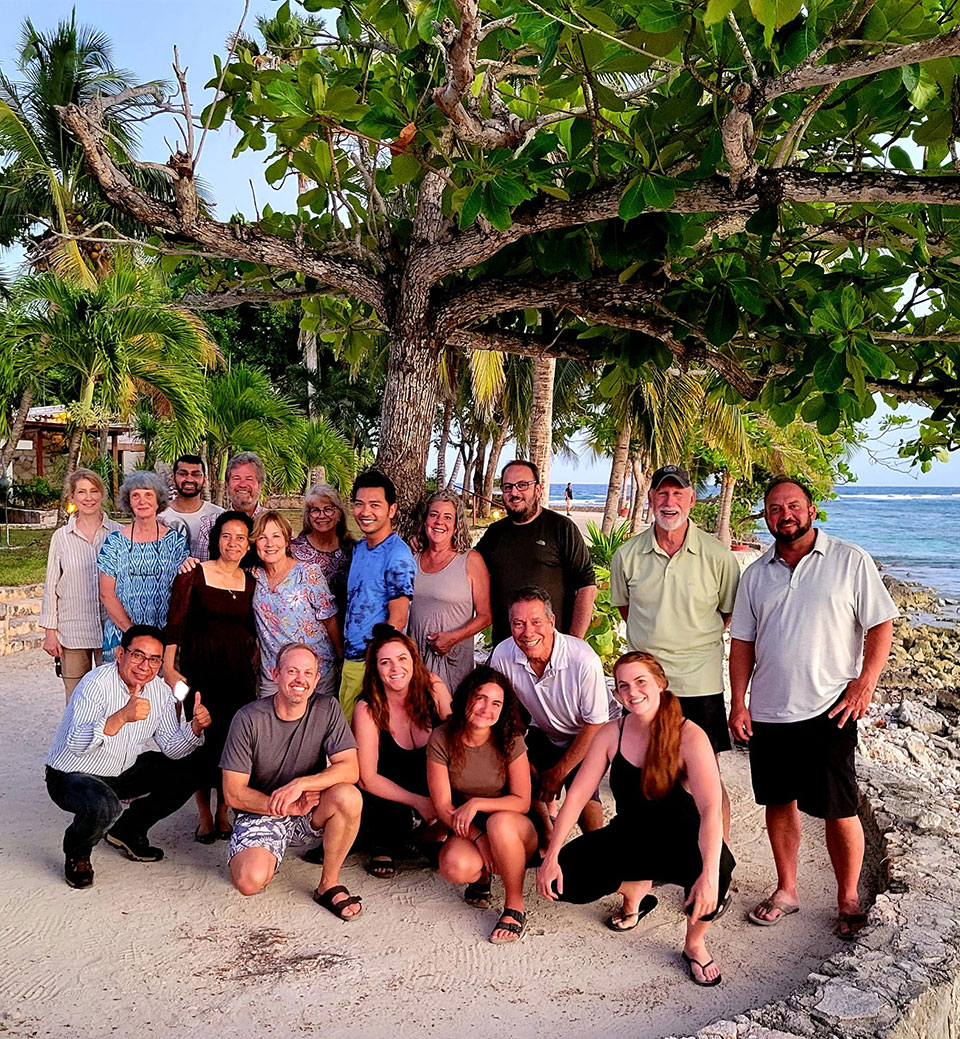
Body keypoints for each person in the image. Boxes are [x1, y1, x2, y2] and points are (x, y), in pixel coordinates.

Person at [728, 477, 898, 940]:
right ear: (765, 515)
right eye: (775, 507)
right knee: (778, 803)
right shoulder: (756, 574)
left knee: (838, 808)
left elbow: (879, 624)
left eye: (793, 505)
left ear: (811, 509)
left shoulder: (849, 560)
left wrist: (864, 685)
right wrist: (738, 703)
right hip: (768, 712)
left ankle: (846, 896)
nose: (785, 514)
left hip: (830, 710)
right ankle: (787, 890)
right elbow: (742, 643)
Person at [537, 652, 735, 986]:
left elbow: (710, 810)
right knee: (562, 881)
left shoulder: (690, 735)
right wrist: (553, 854)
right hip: (630, 834)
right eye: (623, 686)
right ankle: (636, 889)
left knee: (720, 871)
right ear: (616, 694)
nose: (633, 692)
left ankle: (694, 944)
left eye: (641, 682)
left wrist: (710, 875)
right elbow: (577, 796)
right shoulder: (611, 733)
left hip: (682, 837)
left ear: (660, 683)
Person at [610, 464, 740, 837]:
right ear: (650, 499)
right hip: (643, 687)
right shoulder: (628, 555)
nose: (669, 502)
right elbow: (627, 610)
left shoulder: (718, 556)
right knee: (644, 775)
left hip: (699, 683)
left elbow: (727, 614)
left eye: (678, 494)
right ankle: (660, 860)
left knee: (705, 780)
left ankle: (717, 868)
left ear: (692, 500)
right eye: (662, 494)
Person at [44, 624, 212, 888]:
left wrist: (194, 728)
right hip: (72, 774)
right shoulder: (96, 684)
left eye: (154, 659)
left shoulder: (158, 691)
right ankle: (78, 853)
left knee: (193, 768)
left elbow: (171, 747)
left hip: (119, 771)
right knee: (105, 805)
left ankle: (128, 830)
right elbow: (75, 744)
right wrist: (121, 716)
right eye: (138, 655)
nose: (145, 665)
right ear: (121, 654)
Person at [220, 642, 363, 919]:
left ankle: (328, 884)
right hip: (262, 811)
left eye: (308, 673)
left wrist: (303, 784)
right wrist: (285, 806)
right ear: (275, 674)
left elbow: (350, 769)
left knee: (349, 796)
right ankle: (263, 852)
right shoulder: (248, 718)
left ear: (317, 679)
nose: (301, 680)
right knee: (249, 883)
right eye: (293, 671)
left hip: (306, 805)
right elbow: (233, 794)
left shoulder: (327, 708)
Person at [164, 511, 259, 843]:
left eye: (240, 538)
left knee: (232, 744)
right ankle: (204, 815)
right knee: (200, 740)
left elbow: (252, 632)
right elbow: (175, 623)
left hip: (237, 675)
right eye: (226, 536)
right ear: (216, 539)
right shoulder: (194, 574)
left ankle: (224, 813)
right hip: (199, 671)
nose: (233, 543)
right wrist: (169, 667)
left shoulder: (251, 582)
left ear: (249, 544)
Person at [427, 666, 539, 944]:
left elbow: (522, 801)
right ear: (467, 698)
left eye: (496, 703)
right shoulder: (442, 737)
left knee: (498, 822)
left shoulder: (511, 739)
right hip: (469, 827)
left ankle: (514, 906)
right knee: (454, 866)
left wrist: (477, 803)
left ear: (503, 709)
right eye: (480, 698)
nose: (486, 708)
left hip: (515, 827)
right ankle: (481, 880)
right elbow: (443, 806)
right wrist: (478, 838)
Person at [490, 586, 614, 835]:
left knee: (583, 792)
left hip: (589, 734)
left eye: (536, 622)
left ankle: (597, 848)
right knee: (522, 778)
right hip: (543, 729)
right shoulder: (503, 654)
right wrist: (519, 754)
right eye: (518, 624)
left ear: (551, 622)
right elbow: (507, 709)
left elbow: (595, 724)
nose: (528, 632)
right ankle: (547, 832)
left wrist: (560, 771)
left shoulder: (583, 660)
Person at [352, 625, 452, 877]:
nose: (396, 668)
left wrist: (440, 801)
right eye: (385, 662)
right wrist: (419, 802)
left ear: (413, 660)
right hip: (388, 794)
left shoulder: (433, 688)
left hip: (428, 781)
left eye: (402, 659)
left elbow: (459, 742)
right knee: (378, 805)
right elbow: (367, 777)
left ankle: (431, 835)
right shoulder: (367, 708)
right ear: (375, 669)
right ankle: (383, 842)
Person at [476, 460, 596, 647]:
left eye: (522, 485)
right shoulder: (495, 533)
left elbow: (586, 585)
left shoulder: (561, 528)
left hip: (552, 649)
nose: (514, 493)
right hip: (506, 649)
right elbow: (468, 566)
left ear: (538, 489)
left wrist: (574, 642)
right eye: (508, 487)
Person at [339, 471, 416, 722]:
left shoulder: (397, 556)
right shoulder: (361, 548)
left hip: (373, 665)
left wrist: (377, 669)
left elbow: (398, 619)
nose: (365, 512)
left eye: (375, 505)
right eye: (359, 504)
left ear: (391, 510)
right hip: (352, 661)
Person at [40, 468, 122, 700]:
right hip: (73, 631)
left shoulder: (118, 533)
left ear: (102, 494)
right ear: (72, 497)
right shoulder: (61, 537)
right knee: (76, 699)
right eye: (82, 492)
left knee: (113, 696)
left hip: (111, 630)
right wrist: (50, 632)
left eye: (94, 491)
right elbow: (51, 586)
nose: (88, 498)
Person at [97, 471, 189, 662]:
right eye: (135, 495)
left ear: (158, 501)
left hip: (163, 640)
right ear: (129, 502)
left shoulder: (176, 543)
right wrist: (134, 634)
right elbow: (106, 594)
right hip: (121, 639)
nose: (142, 501)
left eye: (148, 495)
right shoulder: (114, 542)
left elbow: (182, 595)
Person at [408, 490, 492, 693]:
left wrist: (453, 638)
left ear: (456, 525)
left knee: (449, 719)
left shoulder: (470, 560)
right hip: (414, 660)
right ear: (425, 519)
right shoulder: (412, 556)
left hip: (452, 660)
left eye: (447, 517)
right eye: (433, 515)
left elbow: (486, 616)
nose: (439, 522)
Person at [251, 511, 342, 697]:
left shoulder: (308, 574)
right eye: (262, 537)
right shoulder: (253, 575)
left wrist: (342, 658)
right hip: (274, 673)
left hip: (315, 671)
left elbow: (330, 619)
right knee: (271, 724)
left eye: (276, 536)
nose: (270, 544)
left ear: (286, 541)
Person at [290, 482, 354, 623]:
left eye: (328, 509)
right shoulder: (293, 550)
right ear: (308, 516)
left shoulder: (353, 551)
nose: (322, 515)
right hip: (304, 631)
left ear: (339, 514)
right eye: (315, 510)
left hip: (345, 627)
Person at [194, 451, 266, 562]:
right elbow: (201, 572)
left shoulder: (274, 525)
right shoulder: (210, 525)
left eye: (249, 479)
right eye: (236, 478)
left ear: (260, 485)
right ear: (227, 484)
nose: (242, 484)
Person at [158, 454, 224, 557]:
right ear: (173, 478)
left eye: (196, 474)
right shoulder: (158, 515)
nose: (189, 479)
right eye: (183, 474)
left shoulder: (219, 516)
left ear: (205, 479)